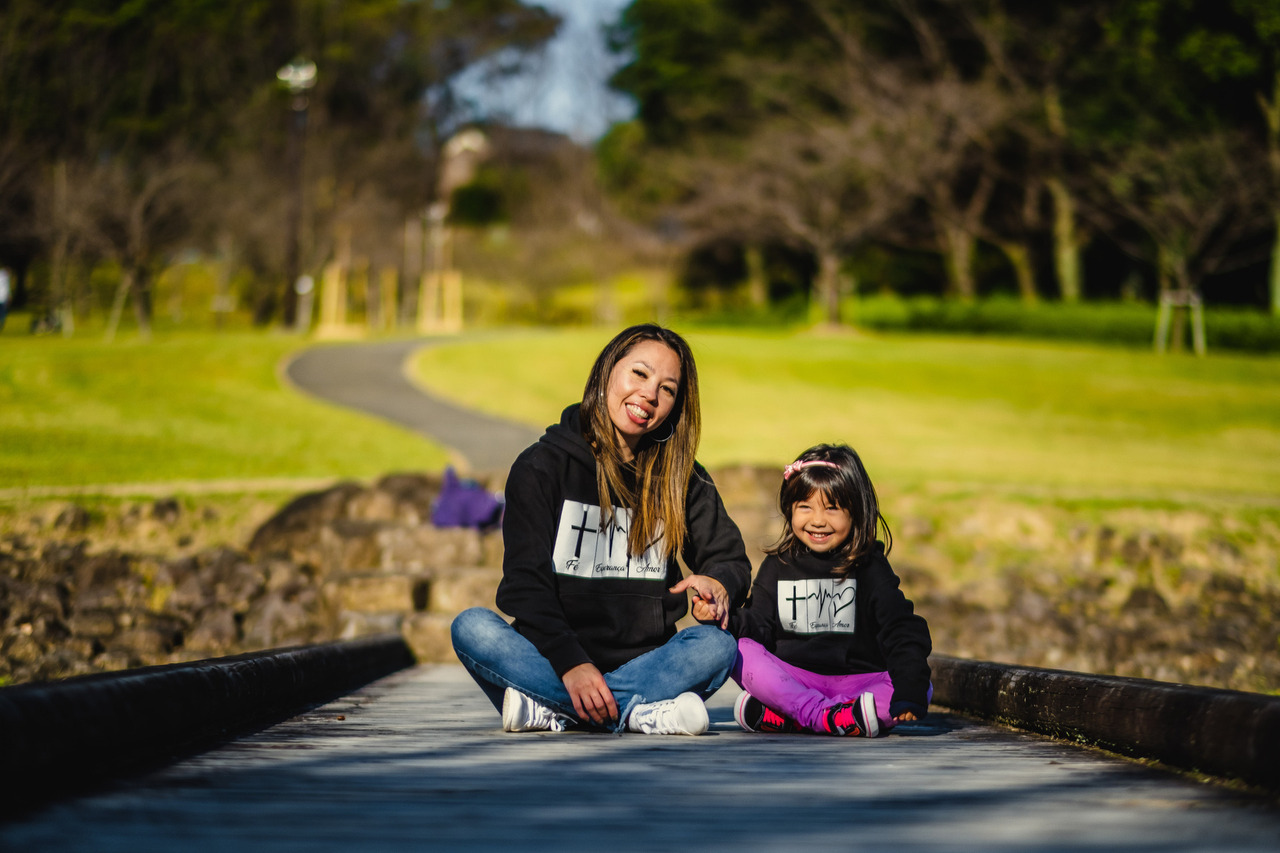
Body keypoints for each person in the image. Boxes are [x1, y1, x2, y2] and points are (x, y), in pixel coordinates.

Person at [451, 324, 752, 735]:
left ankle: (556, 712)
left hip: (647, 663)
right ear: (607, 371)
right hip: (554, 659)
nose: (649, 395)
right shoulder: (541, 467)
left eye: (667, 389)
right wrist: (572, 664)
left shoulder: (681, 477)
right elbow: (526, 585)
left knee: (717, 647)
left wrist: (719, 585)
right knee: (472, 628)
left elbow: (729, 558)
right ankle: (638, 713)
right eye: (640, 374)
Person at [693, 443, 931, 736]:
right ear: (789, 509)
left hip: (858, 682)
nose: (818, 521)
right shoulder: (778, 565)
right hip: (796, 681)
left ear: (856, 511)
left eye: (832, 508)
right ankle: (829, 718)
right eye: (805, 507)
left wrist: (910, 691)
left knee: (922, 687)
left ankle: (793, 716)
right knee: (740, 650)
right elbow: (759, 626)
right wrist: (721, 615)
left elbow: (901, 629)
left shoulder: (870, 566)